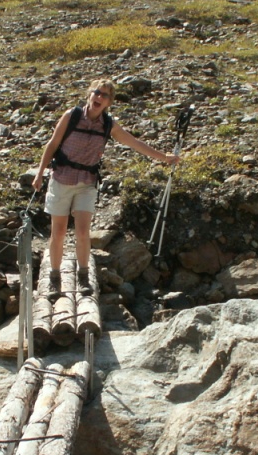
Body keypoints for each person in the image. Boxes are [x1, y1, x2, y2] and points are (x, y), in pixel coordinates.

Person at [32, 79, 180, 297]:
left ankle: (83, 277)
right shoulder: (71, 116)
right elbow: (53, 144)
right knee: (59, 232)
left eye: (105, 95)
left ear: (109, 102)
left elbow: (134, 143)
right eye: (97, 93)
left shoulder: (108, 125)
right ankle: (54, 278)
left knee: (83, 232)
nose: (99, 97)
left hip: (87, 182)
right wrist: (39, 173)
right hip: (62, 178)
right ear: (89, 94)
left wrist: (163, 157)